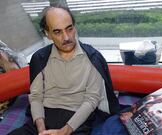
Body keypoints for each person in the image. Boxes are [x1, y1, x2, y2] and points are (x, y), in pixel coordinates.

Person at [8, 4, 119, 135]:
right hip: (44, 116)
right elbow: (36, 97)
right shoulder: (39, 58)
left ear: (74, 27)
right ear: (47, 34)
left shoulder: (93, 57)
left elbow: (91, 99)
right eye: (57, 31)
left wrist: (65, 131)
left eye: (69, 29)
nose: (66, 37)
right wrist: (41, 129)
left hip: (78, 120)